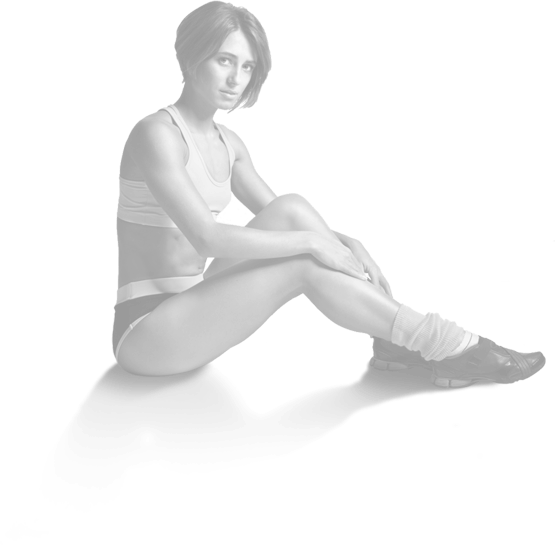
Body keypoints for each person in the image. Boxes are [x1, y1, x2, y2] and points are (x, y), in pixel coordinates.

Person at [113, 1, 544, 388]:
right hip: (149, 330)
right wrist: (316, 244)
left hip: (197, 302)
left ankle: (396, 341)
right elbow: (207, 238)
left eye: (246, 67)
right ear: (192, 57)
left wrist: (347, 242)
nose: (235, 79)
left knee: (292, 206)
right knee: (304, 261)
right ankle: (447, 344)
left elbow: (284, 217)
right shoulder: (157, 133)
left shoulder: (231, 144)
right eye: (224, 60)